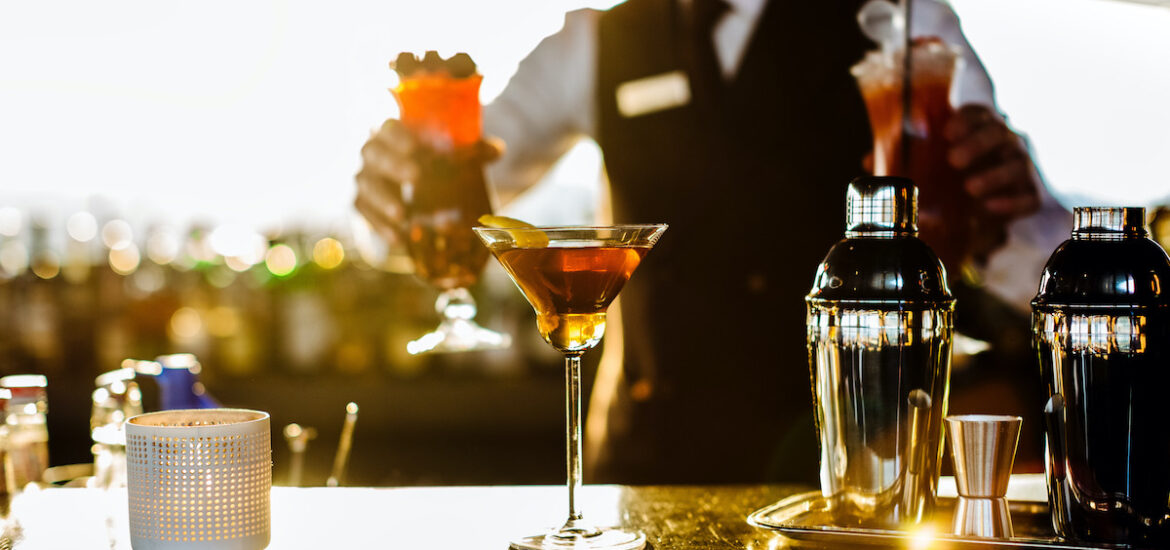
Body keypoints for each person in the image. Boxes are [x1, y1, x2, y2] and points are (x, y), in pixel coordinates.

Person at [356, 0, 1070, 484]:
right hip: (641, 470)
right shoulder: (595, 42)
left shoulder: (899, 24)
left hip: (849, 480)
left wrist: (1005, 208)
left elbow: (1035, 260)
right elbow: (453, 193)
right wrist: (400, 193)